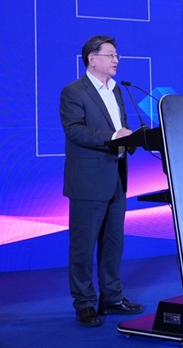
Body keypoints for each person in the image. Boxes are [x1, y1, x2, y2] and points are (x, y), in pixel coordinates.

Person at [59, 35, 143, 326]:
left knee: (113, 243)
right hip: (88, 180)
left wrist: (134, 138)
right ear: (92, 59)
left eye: (117, 55)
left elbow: (121, 126)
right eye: (110, 55)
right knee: (83, 246)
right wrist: (113, 137)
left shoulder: (117, 89)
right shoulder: (74, 92)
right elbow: (75, 131)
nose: (116, 59)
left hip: (116, 177)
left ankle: (111, 298)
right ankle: (84, 303)